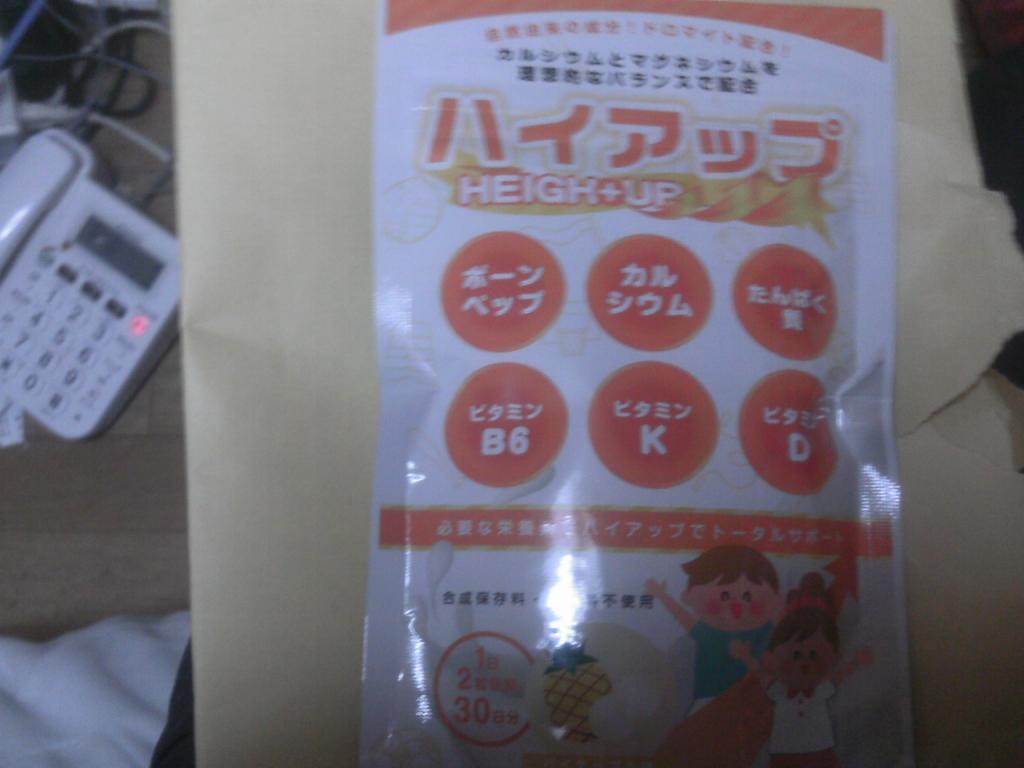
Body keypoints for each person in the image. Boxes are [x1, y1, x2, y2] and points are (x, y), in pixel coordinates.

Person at [732, 573, 872, 768]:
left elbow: (839, 676)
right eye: (796, 655)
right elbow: (761, 673)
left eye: (813, 655)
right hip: (784, 754)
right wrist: (746, 657)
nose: (805, 662)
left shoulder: (819, 690)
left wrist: (856, 662)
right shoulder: (780, 690)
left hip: (820, 751)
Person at [645, 545, 783, 713]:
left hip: (752, 703)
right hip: (708, 702)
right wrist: (661, 595)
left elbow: (772, 669)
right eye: (724, 595)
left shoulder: (764, 631)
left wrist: (747, 658)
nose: (737, 605)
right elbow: (683, 617)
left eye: (747, 596)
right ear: (688, 596)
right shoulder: (708, 631)